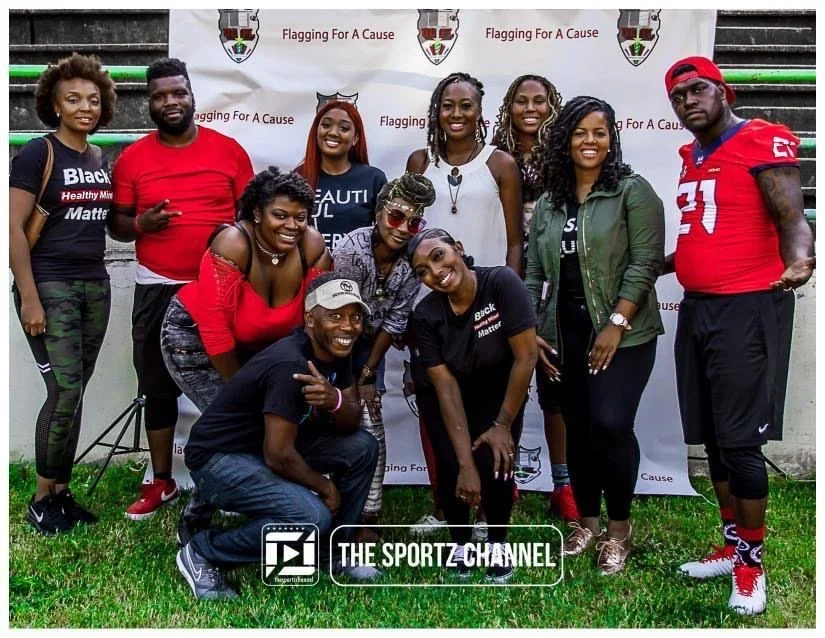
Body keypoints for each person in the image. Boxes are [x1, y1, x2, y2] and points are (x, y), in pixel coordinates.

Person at [662, 56, 814, 615]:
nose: (688, 102)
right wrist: (662, 263)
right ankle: (732, 547)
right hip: (700, 308)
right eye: (678, 97)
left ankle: (751, 565)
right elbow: (710, 229)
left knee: (741, 442)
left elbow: (792, 216)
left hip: (747, 307)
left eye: (698, 90)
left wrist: (801, 259)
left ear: (722, 91)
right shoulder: (691, 155)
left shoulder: (760, 140)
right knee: (713, 437)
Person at [108, 57, 254, 521]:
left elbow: (250, 220)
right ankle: (161, 480)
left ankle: (243, 474)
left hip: (221, 288)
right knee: (156, 385)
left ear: (192, 95)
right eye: (160, 95)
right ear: (148, 103)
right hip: (157, 287)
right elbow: (116, 225)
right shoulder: (133, 158)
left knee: (233, 382)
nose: (170, 102)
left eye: (178, 92)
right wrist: (140, 224)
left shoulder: (228, 151)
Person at [525, 96, 665, 576]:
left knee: (609, 424)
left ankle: (619, 531)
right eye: (580, 133)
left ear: (612, 139)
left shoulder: (632, 191)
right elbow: (531, 272)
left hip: (623, 333)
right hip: (562, 331)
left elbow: (645, 263)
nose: (590, 141)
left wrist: (617, 323)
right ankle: (586, 523)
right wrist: (531, 331)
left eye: (599, 132)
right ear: (563, 140)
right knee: (578, 428)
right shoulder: (549, 202)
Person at [176, 273, 379, 599]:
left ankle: (330, 553)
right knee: (311, 516)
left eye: (355, 317)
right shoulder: (291, 364)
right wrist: (325, 488)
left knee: (363, 447)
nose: (348, 326)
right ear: (311, 320)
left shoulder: (339, 351)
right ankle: (203, 551)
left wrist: (334, 400)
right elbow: (279, 455)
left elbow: (351, 422)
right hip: (219, 458)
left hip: (264, 448)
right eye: (336, 316)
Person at [406, 71, 523, 535]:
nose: (456, 115)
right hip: (434, 307)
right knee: (438, 408)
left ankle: (491, 511)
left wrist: (509, 304)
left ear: (480, 111)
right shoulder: (419, 162)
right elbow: (412, 237)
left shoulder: (500, 164)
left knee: (487, 409)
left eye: (466, 106)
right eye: (447, 106)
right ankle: (448, 503)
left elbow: (516, 242)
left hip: (488, 304)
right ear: (437, 111)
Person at [10, 53, 117, 534]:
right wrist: (30, 297)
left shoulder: (99, 158)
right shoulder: (39, 152)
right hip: (49, 284)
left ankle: (62, 492)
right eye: (73, 99)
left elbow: (107, 221)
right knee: (64, 389)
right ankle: (40, 496)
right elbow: (12, 227)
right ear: (54, 105)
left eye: (93, 100)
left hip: (96, 284)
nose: (85, 107)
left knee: (74, 394)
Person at [409, 229, 538, 583]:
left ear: (459, 249)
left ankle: (498, 543)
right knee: (452, 463)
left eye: (438, 257)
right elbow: (446, 390)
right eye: (422, 271)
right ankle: (460, 544)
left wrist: (502, 425)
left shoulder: (501, 283)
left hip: (499, 392)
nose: (434, 272)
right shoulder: (425, 315)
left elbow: (526, 358)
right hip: (445, 398)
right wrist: (466, 465)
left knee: (495, 459)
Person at [161, 167, 329, 411]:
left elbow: (315, 320)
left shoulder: (312, 247)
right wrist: (241, 392)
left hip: (261, 343)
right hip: (196, 338)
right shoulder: (233, 244)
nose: (292, 226)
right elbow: (215, 332)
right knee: (232, 417)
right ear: (258, 213)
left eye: (300, 217)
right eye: (280, 215)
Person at [492, 74, 579, 522]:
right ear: (508, 107)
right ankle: (503, 479)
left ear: (553, 105)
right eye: (520, 100)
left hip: (555, 275)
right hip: (506, 274)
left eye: (540, 100)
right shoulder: (493, 155)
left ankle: (563, 484)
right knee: (508, 380)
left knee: (553, 383)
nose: (530, 108)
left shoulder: (566, 153)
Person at [332, 172, 436, 536]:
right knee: (337, 424)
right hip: (333, 344)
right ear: (378, 213)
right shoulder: (351, 249)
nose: (403, 228)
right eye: (395, 217)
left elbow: (394, 322)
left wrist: (368, 375)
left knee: (371, 423)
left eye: (414, 222)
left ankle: (368, 515)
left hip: (369, 347)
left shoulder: (412, 261)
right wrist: (352, 378)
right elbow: (342, 318)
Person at [295, 100, 387, 251]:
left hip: (356, 272)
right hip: (309, 271)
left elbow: (386, 235)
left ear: (356, 138)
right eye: (326, 125)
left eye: (344, 128)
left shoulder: (374, 179)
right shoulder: (299, 177)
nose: (332, 132)